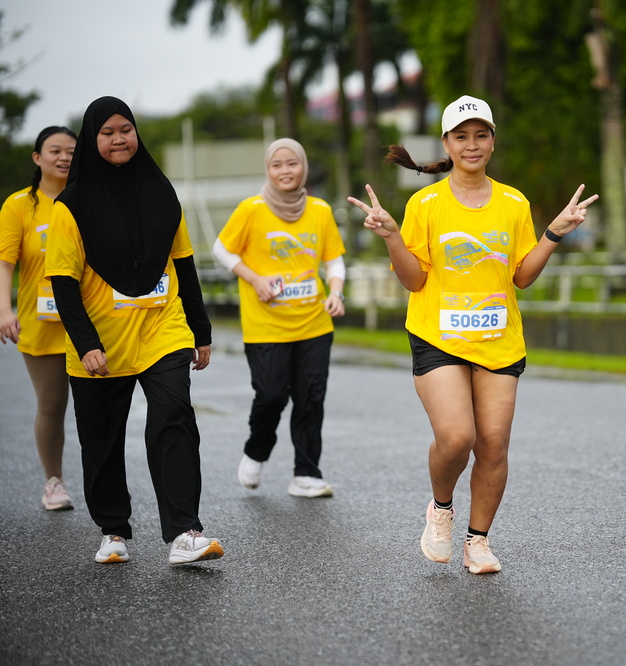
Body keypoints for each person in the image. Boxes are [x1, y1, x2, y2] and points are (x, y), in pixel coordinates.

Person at [347, 95, 597, 574]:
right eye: (461, 136)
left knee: (494, 444)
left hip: (499, 339)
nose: (472, 144)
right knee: (457, 436)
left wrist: (554, 233)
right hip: (437, 336)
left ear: (493, 141)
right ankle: (441, 508)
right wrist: (393, 237)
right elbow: (414, 281)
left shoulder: (513, 202)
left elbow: (521, 277)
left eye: (481, 135)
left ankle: (477, 541)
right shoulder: (425, 204)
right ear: (446, 143)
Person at [45, 96, 223, 566]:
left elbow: (184, 265)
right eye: (107, 133)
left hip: (163, 328)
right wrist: (86, 343)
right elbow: (63, 284)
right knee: (101, 441)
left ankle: (185, 532)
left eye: (126, 129)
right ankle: (113, 530)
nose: (119, 139)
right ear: (92, 140)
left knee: (174, 418)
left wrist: (200, 331)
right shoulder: (70, 207)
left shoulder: (162, 193)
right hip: (101, 342)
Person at [213, 138, 346, 498]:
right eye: (277, 165)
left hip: (314, 323)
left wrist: (335, 293)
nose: (285, 171)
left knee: (311, 398)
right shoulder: (252, 209)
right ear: (268, 170)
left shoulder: (319, 210)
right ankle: (256, 450)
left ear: (303, 166)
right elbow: (221, 249)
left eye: (292, 163)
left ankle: (306, 473)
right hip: (266, 325)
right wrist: (254, 279)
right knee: (271, 395)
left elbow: (333, 259)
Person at [0, 126, 77, 511]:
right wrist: (4, 309)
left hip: (92, 321)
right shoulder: (19, 205)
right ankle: (54, 482)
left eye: (71, 151)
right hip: (42, 321)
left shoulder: (87, 198)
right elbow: (5, 262)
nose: (64, 157)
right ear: (37, 157)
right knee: (52, 403)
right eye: (55, 150)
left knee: (101, 407)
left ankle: (107, 485)